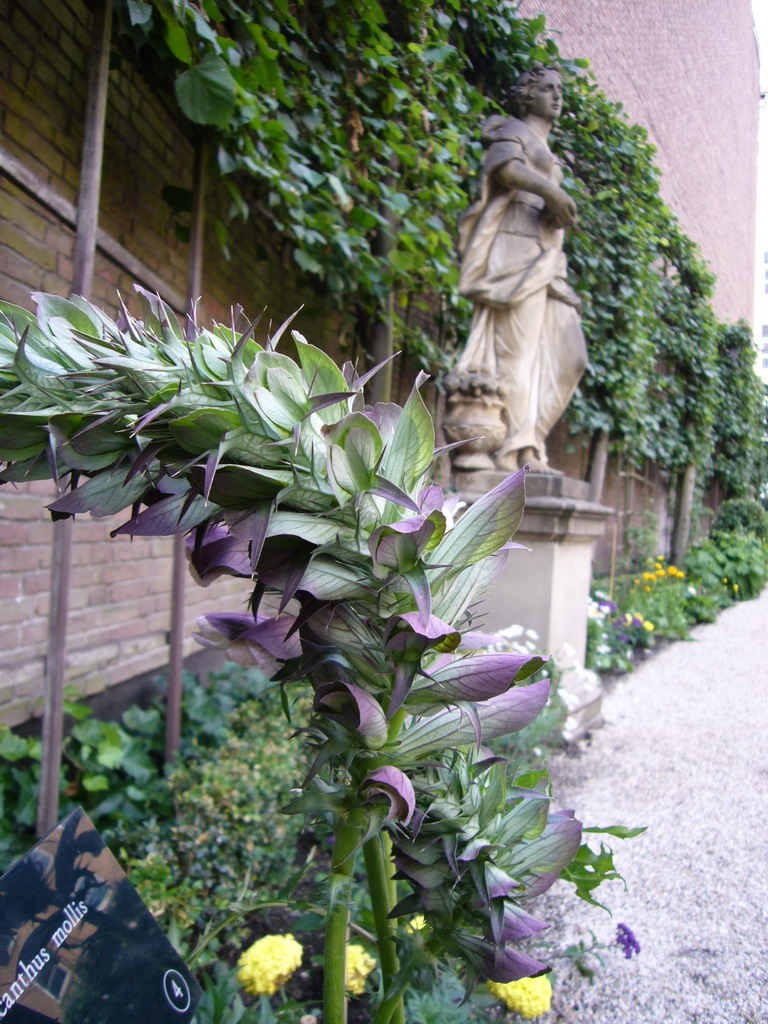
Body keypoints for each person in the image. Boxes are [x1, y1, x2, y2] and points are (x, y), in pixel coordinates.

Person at [456, 64, 587, 472]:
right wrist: (551, 190)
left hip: (545, 256)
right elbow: (505, 168)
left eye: (559, 89)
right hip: (513, 252)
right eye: (547, 88)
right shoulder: (510, 127)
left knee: (570, 357)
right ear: (527, 96)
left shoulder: (547, 148)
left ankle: (529, 439)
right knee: (519, 354)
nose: (556, 95)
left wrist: (554, 212)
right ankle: (516, 450)